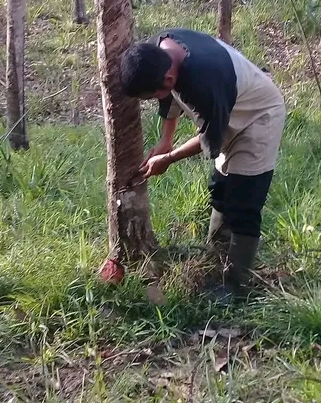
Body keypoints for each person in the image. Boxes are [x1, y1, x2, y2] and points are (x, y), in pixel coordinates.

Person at [119, 28, 286, 299]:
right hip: (229, 107)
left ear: (169, 78)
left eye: (151, 96)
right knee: (220, 188)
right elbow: (169, 99)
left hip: (258, 116)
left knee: (244, 201)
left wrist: (169, 159)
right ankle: (217, 257)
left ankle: (237, 287)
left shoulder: (203, 81)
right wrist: (165, 140)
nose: (155, 100)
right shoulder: (159, 51)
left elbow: (210, 140)